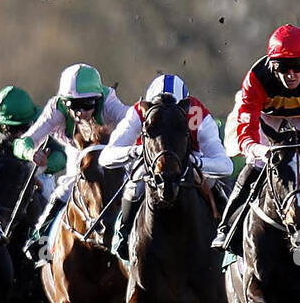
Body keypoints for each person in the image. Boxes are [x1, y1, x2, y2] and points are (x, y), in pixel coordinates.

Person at [210, 24, 300, 252]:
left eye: (298, 66)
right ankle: (226, 227)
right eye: (282, 67)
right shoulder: (257, 77)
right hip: (267, 117)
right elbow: (245, 135)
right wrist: (258, 150)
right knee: (255, 164)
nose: (291, 74)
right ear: (271, 65)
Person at [99, 73, 234, 260]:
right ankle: (124, 233)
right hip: (153, 160)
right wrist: (136, 152)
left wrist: (197, 162)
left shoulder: (198, 114)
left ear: (185, 106)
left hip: (188, 159)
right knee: (136, 181)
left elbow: (226, 165)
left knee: (213, 184)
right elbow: (105, 156)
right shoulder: (138, 112)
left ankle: (228, 231)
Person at [13, 64, 130, 263]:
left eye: (87, 105)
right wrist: (31, 153)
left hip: (109, 154)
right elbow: (22, 142)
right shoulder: (55, 109)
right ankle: (41, 238)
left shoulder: (109, 102)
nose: (80, 113)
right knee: (68, 187)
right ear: (63, 102)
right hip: (77, 153)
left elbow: (133, 120)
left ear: (98, 99)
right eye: (73, 106)